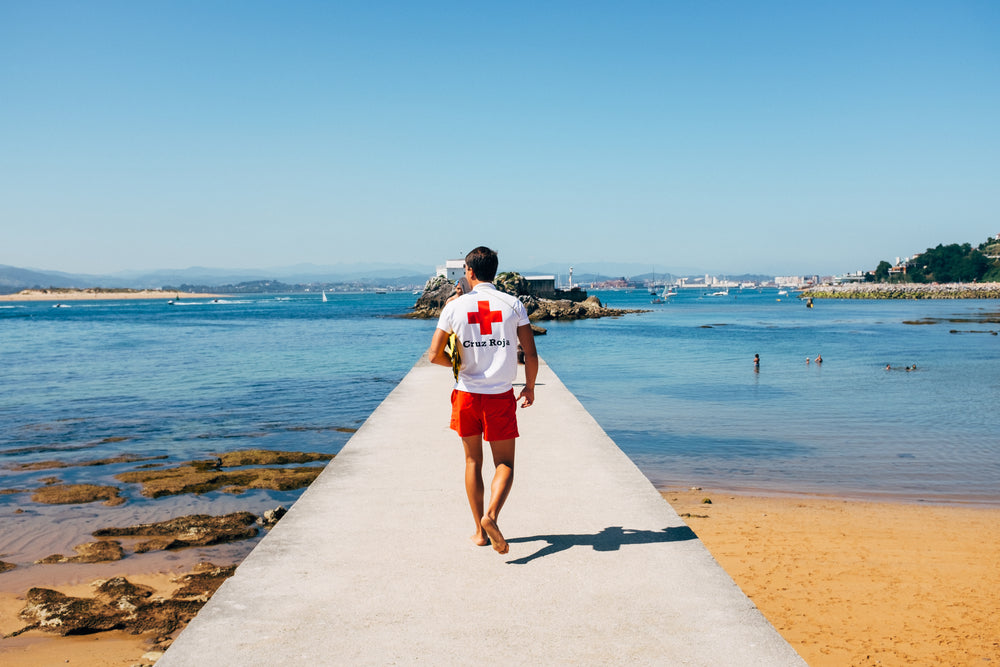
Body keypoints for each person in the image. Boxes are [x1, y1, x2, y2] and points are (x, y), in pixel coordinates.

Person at [427, 247, 539, 554]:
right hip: (499, 397)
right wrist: (529, 387)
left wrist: (461, 366)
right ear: (494, 270)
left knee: (472, 462)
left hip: (465, 395)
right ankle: (492, 516)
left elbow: (434, 355)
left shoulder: (454, 307)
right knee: (504, 464)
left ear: (470, 271)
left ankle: (479, 531)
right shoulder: (512, 303)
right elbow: (530, 353)